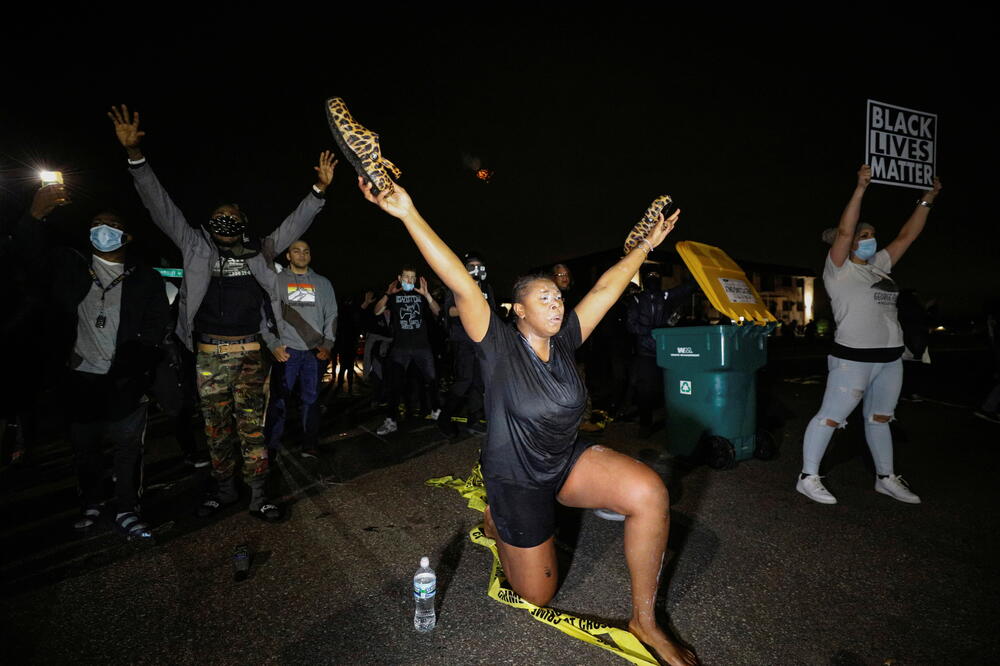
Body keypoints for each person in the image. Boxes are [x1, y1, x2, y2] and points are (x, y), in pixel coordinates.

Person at [359, 176, 697, 666]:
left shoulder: (566, 340)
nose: (557, 303)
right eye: (544, 299)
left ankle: (644, 620)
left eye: (558, 297)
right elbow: (458, 278)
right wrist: (408, 212)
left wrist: (645, 245)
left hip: (563, 461)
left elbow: (607, 285)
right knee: (538, 595)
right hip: (515, 478)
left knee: (649, 492)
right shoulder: (496, 345)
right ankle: (498, 519)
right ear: (517, 310)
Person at [108, 105, 336, 521]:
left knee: (252, 430)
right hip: (209, 355)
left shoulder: (262, 251)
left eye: (231, 217)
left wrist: (318, 192)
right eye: (217, 217)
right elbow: (160, 207)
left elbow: (294, 224)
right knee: (216, 430)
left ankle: (258, 494)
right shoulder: (195, 246)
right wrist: (136, 160)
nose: (224, 221)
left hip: (250, 354)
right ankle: (225, 489)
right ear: (207, 224)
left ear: (243, 223)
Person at [16, 195, 168, 539]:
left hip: (125, 380)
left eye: (114, 226)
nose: (105, 231)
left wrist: (138, 364)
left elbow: (158, 323)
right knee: (85, 449)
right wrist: (35, 216)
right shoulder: (69, 266)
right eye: (98, 225)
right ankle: (92, 501)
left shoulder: (145, 277)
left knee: (128, 450)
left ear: (127, 237)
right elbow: (29, 257)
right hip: (80, 380)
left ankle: (128, 508)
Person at [797, 164, 942, 505]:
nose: (869, 239)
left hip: (891, 358)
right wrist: (861, 188)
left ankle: (886, 478)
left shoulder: (879, 265)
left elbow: (908, 236)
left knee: (880, 419)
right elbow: (845, 233)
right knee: (831, 416)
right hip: (853, 359)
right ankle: (808, 476)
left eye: (872, 234)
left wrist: (927, 200)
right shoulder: (839, 268)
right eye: (864, 235)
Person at [263, 240, 337, 458]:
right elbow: (263, 314)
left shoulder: (323, 283)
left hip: (314, 352)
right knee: (279, 401)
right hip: (287, 352)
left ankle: (309, 444)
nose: (302, 254)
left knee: (311, 400)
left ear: (310, 256)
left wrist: (328, 344)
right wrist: (273, 344)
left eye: (306, 251)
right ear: (288, 256)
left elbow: (332, 314)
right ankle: (271, 447)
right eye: (296, 251)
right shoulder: (276, 281)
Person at [626, 268, 697, 437]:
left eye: (656, 277)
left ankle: (674, 421)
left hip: (666, 351)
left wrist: (697, 277)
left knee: (670, 387)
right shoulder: (636, 299)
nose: (653, 279)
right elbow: (631, 324)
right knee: (645, 389)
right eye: (650, 276)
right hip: (646, 352)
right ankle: (645, 424)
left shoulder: (665, 297)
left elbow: (686, 289)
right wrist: (653, 332)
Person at [373, 267, 441, 435]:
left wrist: (427, 295)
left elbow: (438, 311)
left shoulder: (421, 295)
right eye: (406, 277)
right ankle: (391, 421)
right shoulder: (394, 297)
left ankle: (437, 412)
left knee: (432, 380)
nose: (410, 280)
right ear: (399, 278)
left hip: (422, 346)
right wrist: (387, 294)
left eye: (412, 277)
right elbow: (377, 311)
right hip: (400, 348)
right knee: (394, 385)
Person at [438, 251, 496, 437]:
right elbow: (449, 312)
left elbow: (492, 312)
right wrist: (471, 300)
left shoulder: (487, 287)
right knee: (464, 380)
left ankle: (474, 420)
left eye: (480, 266)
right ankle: (444, 418)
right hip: (463, 340)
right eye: (472, 267)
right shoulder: (457, 286)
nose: (476, 270)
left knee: (479, 382)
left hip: (482, 341)